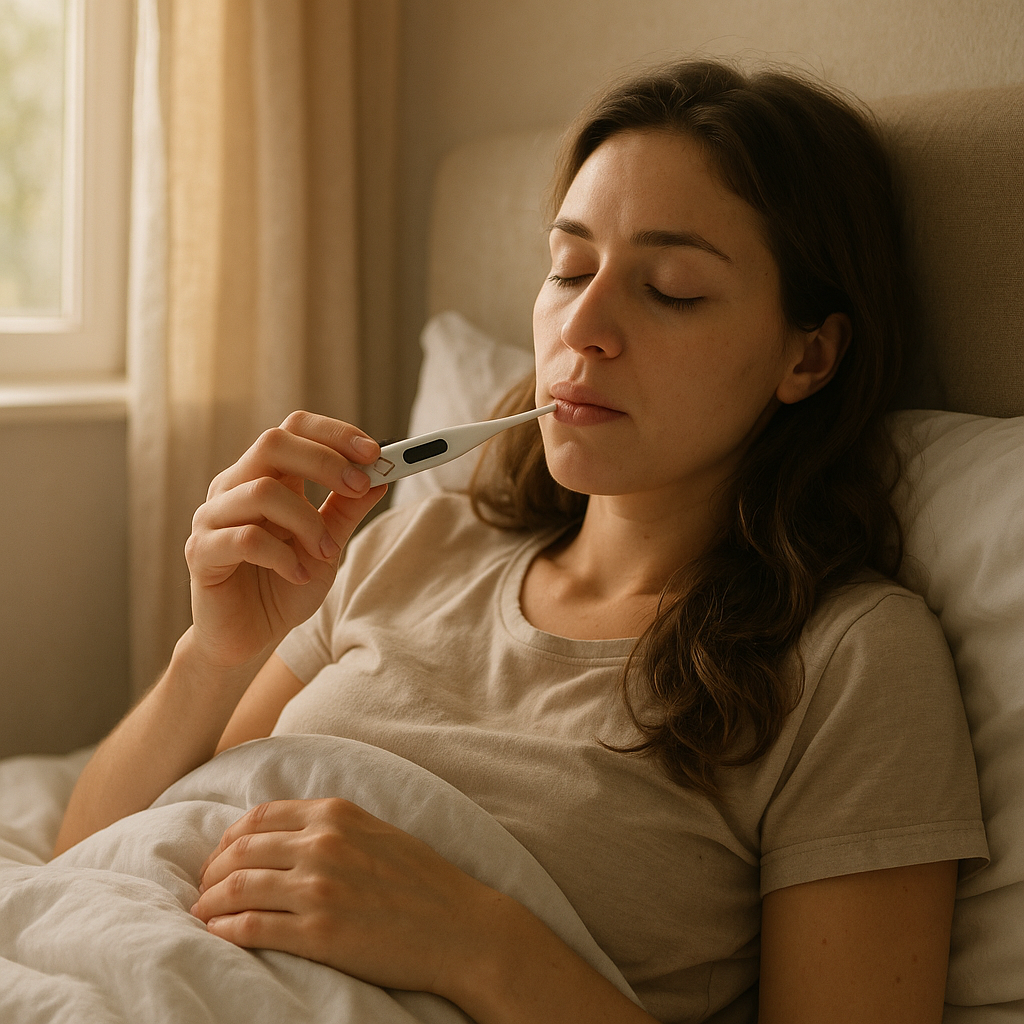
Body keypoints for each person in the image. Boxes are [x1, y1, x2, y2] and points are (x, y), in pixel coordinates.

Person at [54, 58, 987, 1023]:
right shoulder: (413, 546)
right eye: (569, 269)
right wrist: (213, 655)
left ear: (809, 355)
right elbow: (86, 862)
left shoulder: (850, 661)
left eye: (670, 289)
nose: (583, 326)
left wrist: (473, 942)